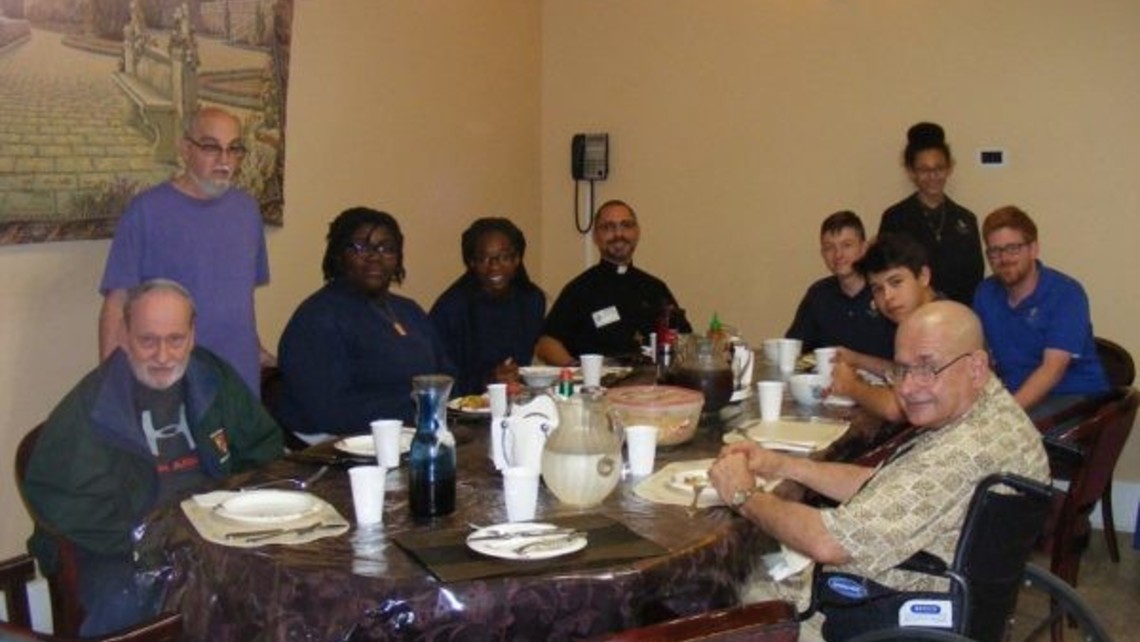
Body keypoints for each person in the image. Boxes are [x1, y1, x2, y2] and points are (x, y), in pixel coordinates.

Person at [709, 301, 1049, 641]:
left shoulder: (966, 451)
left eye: (927, 368)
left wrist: (743, 495)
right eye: (901, 370)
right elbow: (891, 487)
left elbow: (829, 543)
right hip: (946, 600)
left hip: (883, 616)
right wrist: (784, 465)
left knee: (727, 597)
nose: (908, 388)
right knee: (762, 566)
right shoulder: (988, 415)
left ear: (975, 367)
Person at [22, 279, 283, 636]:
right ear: (126, 335)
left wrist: (235, 510)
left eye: (175, 339)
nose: (163, 356)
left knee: (284, 585)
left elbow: (263, 449)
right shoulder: (94, 404)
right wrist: (158, 537)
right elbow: (57, 495)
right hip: (120, 547)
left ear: (192, 335)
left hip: (217, 533)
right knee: (124, 606)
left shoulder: (212, 377)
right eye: (148, 340)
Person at [99, 106, 272, 397]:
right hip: (172, 378)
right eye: (211, 147)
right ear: (185, 149)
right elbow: (117, 305)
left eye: (234, 149)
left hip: (238, 379)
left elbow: (241, 299)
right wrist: (109, 384)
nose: (224, 160)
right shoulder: (146, 211)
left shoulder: (247, 210)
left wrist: (257, 350)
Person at [275, 207, 455, 437]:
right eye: (360, 247)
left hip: (415, 432)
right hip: (337, 447)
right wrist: (420, 405)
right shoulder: (318, 317)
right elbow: (330, 411)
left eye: (386, 248)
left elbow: (447, 375)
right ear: (338, 254)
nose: (374, 257)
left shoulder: (409, 310)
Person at [973, 206, 1109, 417]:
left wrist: (1003, 414)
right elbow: (980, 357)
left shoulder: (1066, 293)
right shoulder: (985, 293)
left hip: (1072, 397)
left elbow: (1052, 370)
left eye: (1013, 248)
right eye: (995, 251)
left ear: (1033, 249)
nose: (1004, 258)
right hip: (1015, 394)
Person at [536, 199, 691, 365]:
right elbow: (546, 344)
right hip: (600, 386)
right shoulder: (579, 289)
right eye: (608, 227)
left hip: (652, 386)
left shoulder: (655, 288)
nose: (618, 234)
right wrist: (578, 369)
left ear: (637, 232)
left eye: (626, 225)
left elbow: (685, 339)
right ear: (596, 236)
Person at [430, 217, 546, 396]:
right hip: (462, 411)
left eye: (504, 257)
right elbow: (437, 382)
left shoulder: (532, 300)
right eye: (484, 259)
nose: (494, 266)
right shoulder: (451, 308)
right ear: (472, 263)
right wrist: (487, 381)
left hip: (513, 403)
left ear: (517, 259)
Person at [828, 233, 938, 420]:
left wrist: (850, 385)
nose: (887, 297)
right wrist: (856, 359)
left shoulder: (937, 326)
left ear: (923, 276)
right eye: (878, 288)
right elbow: (903, 370)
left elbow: (896, 408)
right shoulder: (923, 314)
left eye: (896, 282)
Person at [879, 122, 983, 306]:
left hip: (957, 316)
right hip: (910, 316)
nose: (933, 176)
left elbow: (975, 276)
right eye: (924, 170)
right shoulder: (894, 218)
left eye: (939, 168)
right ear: (911, 172)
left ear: (950, 168)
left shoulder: (966, 219)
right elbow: (888, 274)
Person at [786, 211, 894, 359]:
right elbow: (793, 349)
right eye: (829, 248)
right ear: (822, 253)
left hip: (883, 381)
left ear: (864, 248)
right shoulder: (818, 295)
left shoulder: (884, 291)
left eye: (847, 245)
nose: (838, 255)